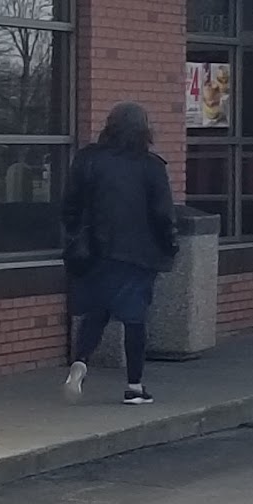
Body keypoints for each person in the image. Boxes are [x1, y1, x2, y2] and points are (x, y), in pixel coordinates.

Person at [61, 100, 179, 406]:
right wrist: (170, 244)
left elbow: (70, 204)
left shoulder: (88, 159)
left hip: (95, 252)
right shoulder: (151, 166)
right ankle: (134, 386)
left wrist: (76, 237)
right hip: (138, 253)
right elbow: (163, 214)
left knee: (97, 311)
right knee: (134, 319)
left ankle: (80, 362)